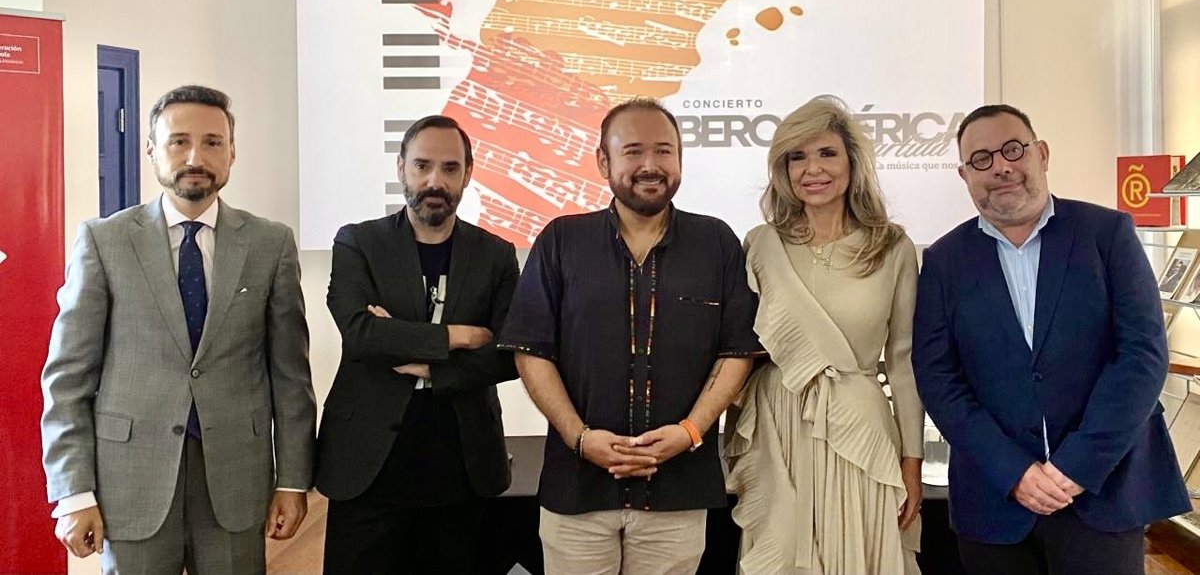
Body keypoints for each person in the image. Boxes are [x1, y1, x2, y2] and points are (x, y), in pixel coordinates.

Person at [41, 85, 316, 573]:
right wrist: (73, 491)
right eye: (179, 141)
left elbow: (291, 377)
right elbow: (67, 378)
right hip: (131, 480)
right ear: (152, 150)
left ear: (232, 152)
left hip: (235, 478)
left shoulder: (270, 244)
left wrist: (293, 480)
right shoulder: (104, 241)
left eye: (212, 142)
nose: (195, 157)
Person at [912, 104, 1191, 575]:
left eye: (1013, 149)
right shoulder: (944, 261)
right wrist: (1014, 472)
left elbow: (1141, 356)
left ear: (1041, 154)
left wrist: (1076, 466)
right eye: (981, 159)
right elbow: (939, 378)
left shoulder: (1107, 233)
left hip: (1102, 492)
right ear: (964, 175)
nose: (1001, 167)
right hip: (995, 501)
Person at [498, 97, 761, 575]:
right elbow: (532, 351)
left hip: (679, 486)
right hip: (578, 487)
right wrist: (580, 438)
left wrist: (690, 431)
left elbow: (735, 352)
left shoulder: (716, 242)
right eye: (633, 151)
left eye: (663, 151)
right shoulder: (561, 240)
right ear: (604, 161)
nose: (650, 165)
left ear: (680, 158)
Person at [723, 95, 924, 574]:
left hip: (859, 427)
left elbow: (903, 361)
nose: (812, 169)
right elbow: (737, 349)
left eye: (827, 153)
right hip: (777, 427)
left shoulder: (892, 247)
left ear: (852, 162)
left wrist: (912, 460)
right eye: (797, 156)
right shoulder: (760, 244)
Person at [317, 115, 520, 573]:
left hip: (462, 463)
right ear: (401, 168)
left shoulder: (496, 254)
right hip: (367, 464)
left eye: (450, 168)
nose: (435, 181)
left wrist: (430, 365)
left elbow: (510, 354)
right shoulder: (358, 242)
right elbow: (361, 334)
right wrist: (459, 336)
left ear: (468, 173)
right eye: (422, 165)